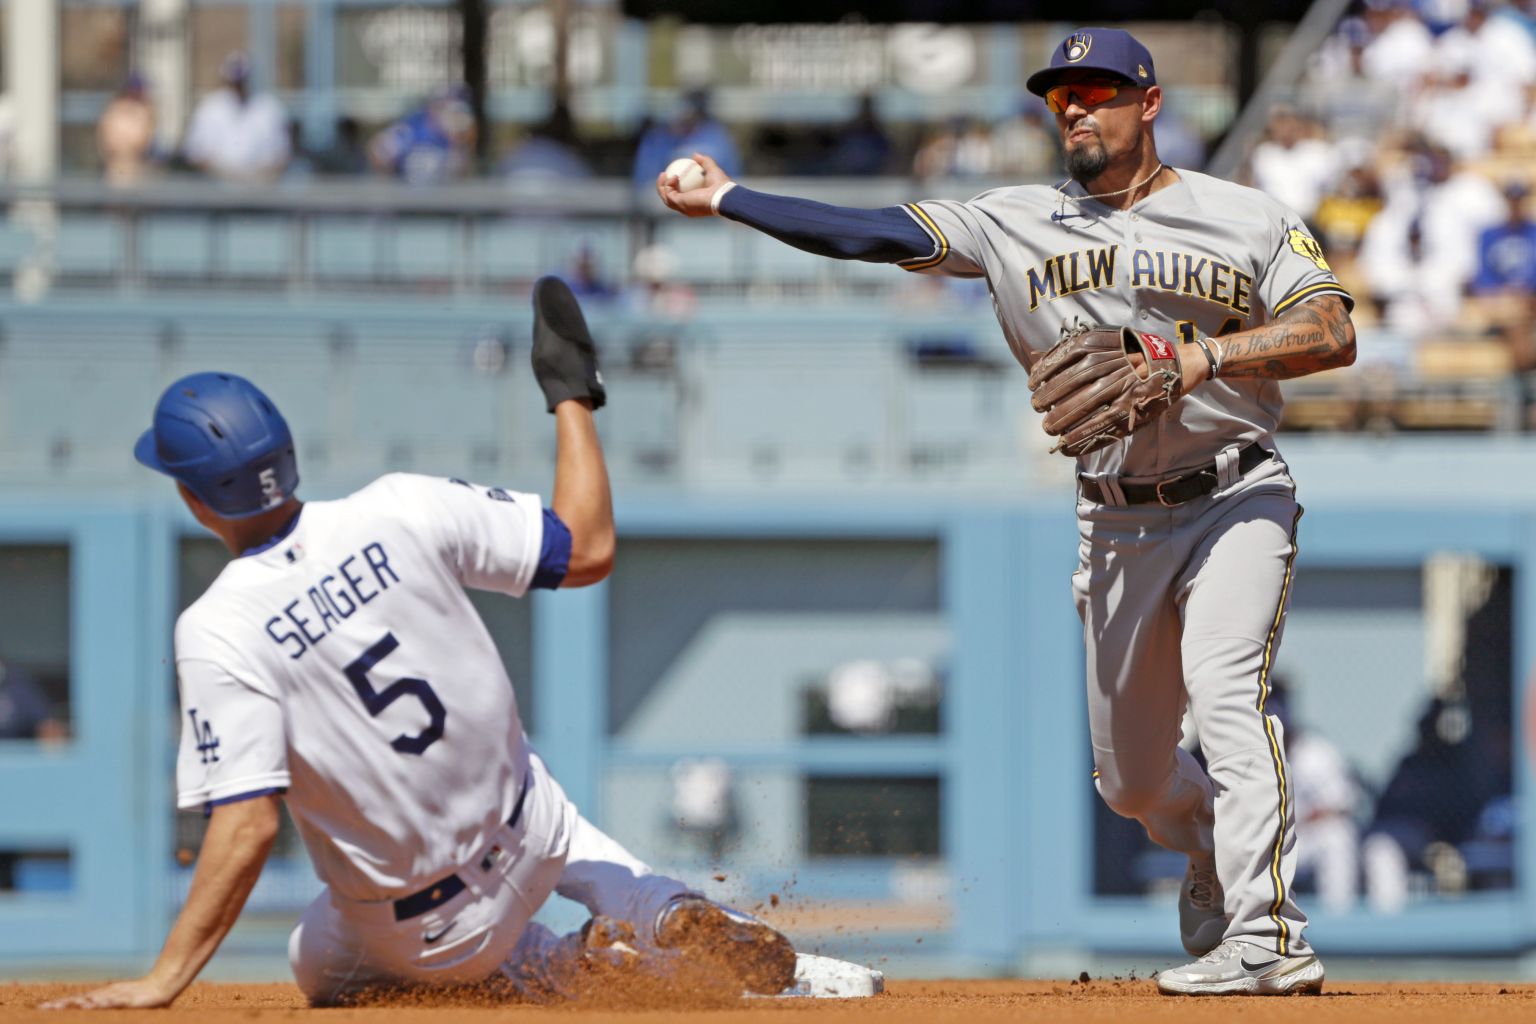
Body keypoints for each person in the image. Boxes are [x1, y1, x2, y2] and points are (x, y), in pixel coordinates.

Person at [658, 26, 1357, 996]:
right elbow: (874, 233)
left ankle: (1268, 932)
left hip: (1236, 489)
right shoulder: (1011, 219)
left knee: (1227, 690)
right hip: (1114, 518)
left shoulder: (1245, 216)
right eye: (1059, 92)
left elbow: (1333, 329)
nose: (1073, 105)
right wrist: (730, 197)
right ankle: (1208, 849)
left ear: (1148, 103)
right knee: (1135, 782)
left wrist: (1201, 358)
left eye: (1098, 89)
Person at [43, 278, 799, 1009]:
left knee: (316, 962)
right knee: (555, 824)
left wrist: (163, 980)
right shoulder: (402, 506)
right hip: (534, 827)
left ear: (194, 497)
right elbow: (589, 548)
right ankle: (658, 906)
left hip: (426, 928)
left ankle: (571, 961)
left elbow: (246, 824)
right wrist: (570, 393)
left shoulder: (217, 628)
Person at [182, 52, 290, 183]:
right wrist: (224, 173)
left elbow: (282, 155)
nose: (238, 86)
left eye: (242, 81)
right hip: (216, 188)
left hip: (260, 188)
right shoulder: (209, 108)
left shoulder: (269, 108)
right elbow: (195, 154)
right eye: (235, 82)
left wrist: (255, 176)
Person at [370, 86, 477, 185]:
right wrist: (393, 185)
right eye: (447, 107)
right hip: (411, 200)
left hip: (442, 200)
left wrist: (459, 143)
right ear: (434, 107)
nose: (455, 115)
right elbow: (377, 151)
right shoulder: (412, 128)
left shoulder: (454, 136)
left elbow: (461, 174)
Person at [96, 74, 155, 186]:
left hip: (134, 169)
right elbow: (112, 142)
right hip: (118, 169)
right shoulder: (119, 111)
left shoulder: (139, 111)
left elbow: (143, 141)